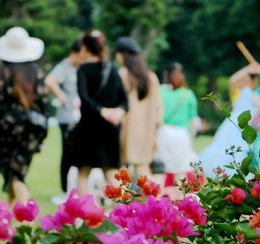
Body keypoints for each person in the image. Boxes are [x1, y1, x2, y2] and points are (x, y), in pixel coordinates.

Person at [0, 27, 48, 204]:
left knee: (15, 175)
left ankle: (27, 214)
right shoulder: (36, 73)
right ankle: (9, 219)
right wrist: (41, 135)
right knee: (16, 172)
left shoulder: (5, 73)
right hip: (31, 131)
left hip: (7, 131)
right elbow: (43, 103)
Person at [70, 29, 128, 194]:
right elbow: (125, 100)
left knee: (83, 173)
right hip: (110, 128)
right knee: (111, 172)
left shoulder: (83, 70)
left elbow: (84, 97)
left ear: (85, 48)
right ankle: (121, 214)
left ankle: (86, 214)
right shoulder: (112, 69)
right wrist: (118, 112)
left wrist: (101, 111)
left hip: (88, 128)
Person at [198, 65, 260, 176]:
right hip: (233, 125)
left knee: (242, 152)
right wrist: (248, 68)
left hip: (247, 126)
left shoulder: (259, 94)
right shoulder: (239, 92)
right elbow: (232, 81)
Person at [114, 37, 163, 178]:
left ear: (122, 54)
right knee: (143, 168)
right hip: (147, 130)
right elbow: (158, 107)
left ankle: (121, 200)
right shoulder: (150, 77)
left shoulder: (122, 74)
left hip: (125, 128)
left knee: (120, 170)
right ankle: (153, 200)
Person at [45, 41, 82, 203]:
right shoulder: (65, 66)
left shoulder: (81, 67)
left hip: (81, 116)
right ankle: (64, 190)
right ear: (75, 53)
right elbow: (50, 81)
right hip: (68, 117)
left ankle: (78, 189)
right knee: (68, 153)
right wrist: (63, 98)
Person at [156, 63, 198, 181]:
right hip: (181, 136)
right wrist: (191, 138)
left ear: (166, 75)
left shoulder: (159, 92)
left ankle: (157, 199)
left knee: (160, 171)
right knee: (180, 173)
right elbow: (194, 121)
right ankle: (180, 199)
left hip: (163, 133)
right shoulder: (188, 94)